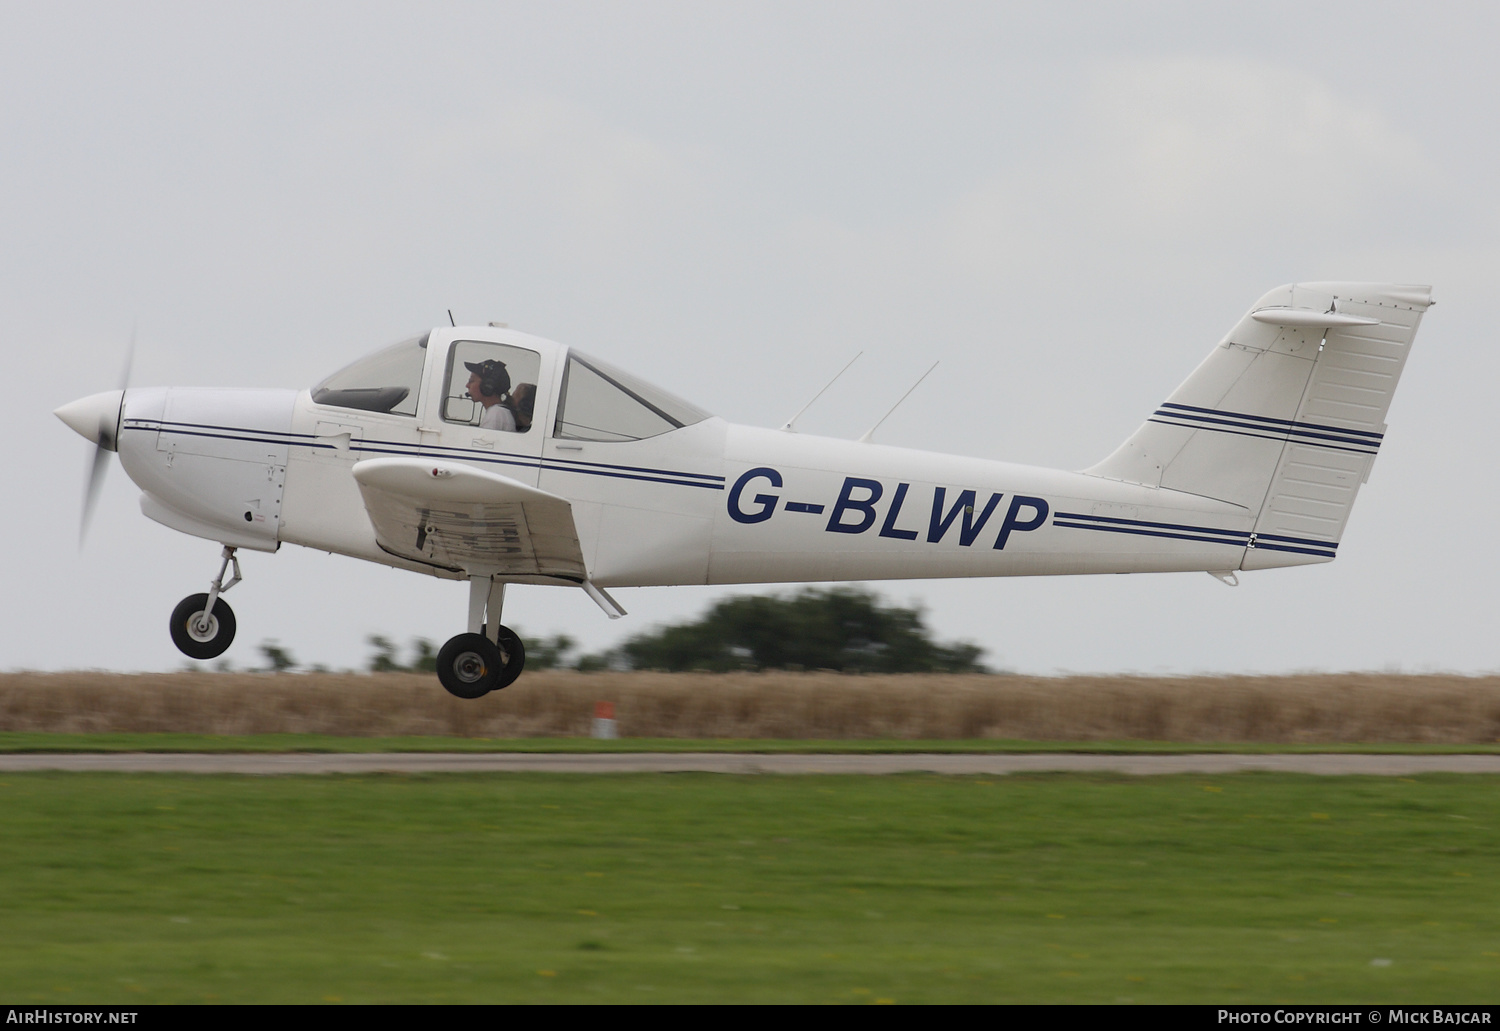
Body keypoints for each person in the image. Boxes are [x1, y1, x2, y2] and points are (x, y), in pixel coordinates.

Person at [463, 359, 516, 431]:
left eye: (471, 381)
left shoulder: (495, 414)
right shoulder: (498, 412)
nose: (467, 385)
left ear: (487, 386)